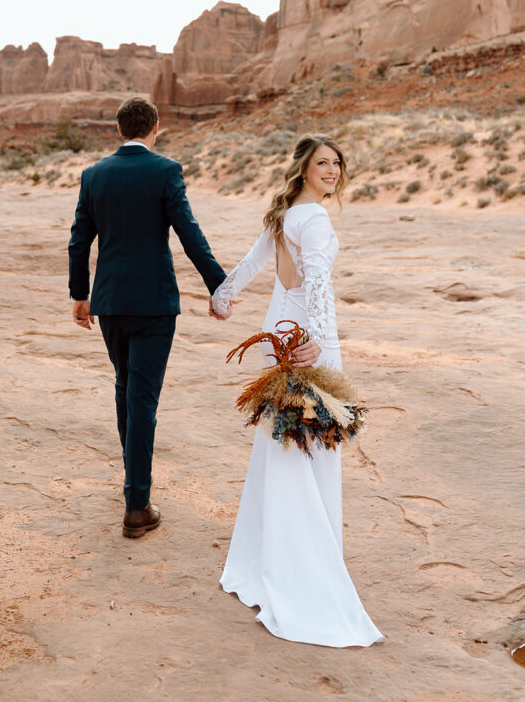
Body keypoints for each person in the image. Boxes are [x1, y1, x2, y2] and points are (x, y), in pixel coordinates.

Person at [211, 133, 384, 647]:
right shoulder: (315, 219)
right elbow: (317, 283)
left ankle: (269, 554)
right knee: (312, 448)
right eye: (322, 163)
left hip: (276, 333)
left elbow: (250, 265)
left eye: (337, 163)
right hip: (304, 338)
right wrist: (321, 344)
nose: (331, 171)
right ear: (303, 169)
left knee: (281, 444)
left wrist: (223, 297)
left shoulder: (283, 214)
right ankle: (304, 563)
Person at [68, 97, 228, 539]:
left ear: (119, 129)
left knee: (125, 387)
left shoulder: (94, 175)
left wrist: (80, 294)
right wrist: (219, 285)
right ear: (156, 126)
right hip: (155, 303)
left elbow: (79, 240)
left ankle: (133, 482)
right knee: (141, 398)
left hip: (111, 301)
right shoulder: (165, 171)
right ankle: (136, 504)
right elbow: (188, 231)